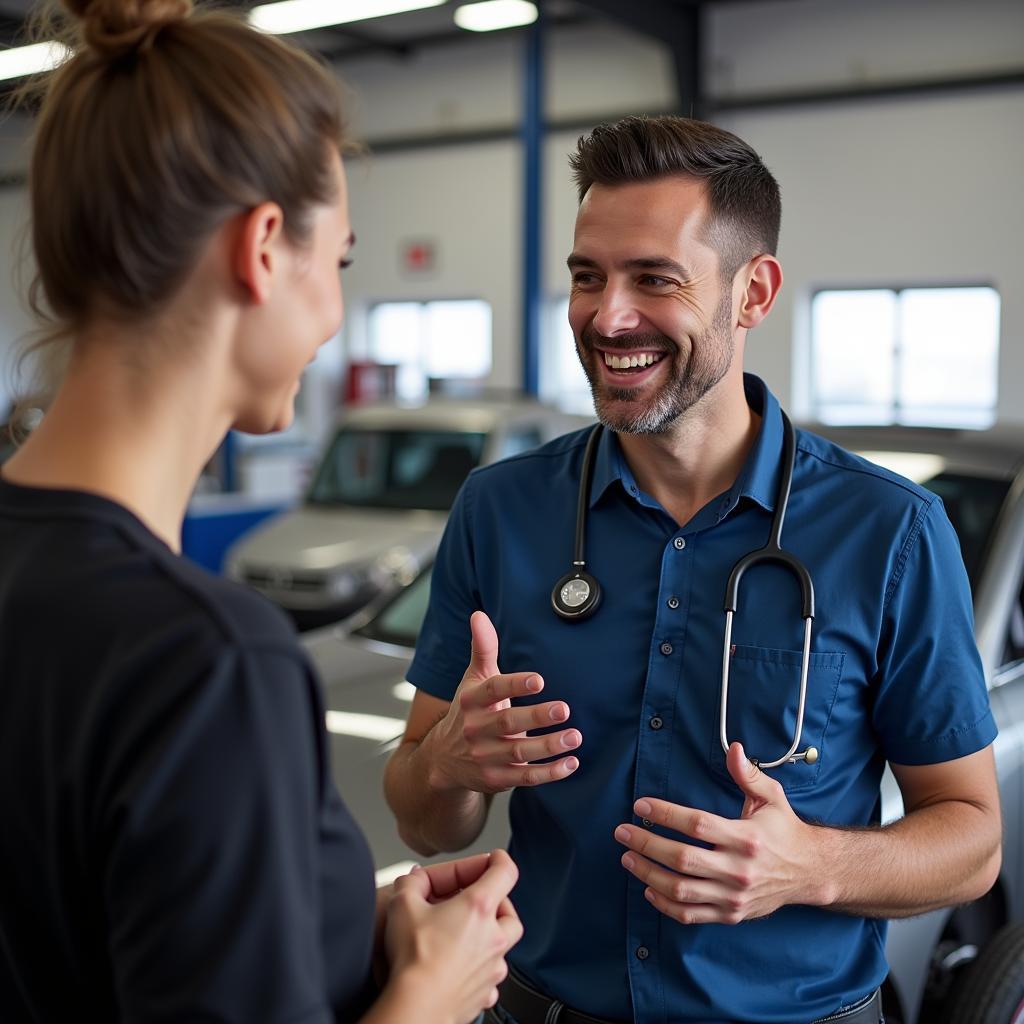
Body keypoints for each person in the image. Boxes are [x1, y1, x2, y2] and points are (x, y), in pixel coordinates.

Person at [383, 115, 1002, 1024]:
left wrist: (814, 867)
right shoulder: (501, 511)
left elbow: (972, 839)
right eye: (587, 276)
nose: (607, 315)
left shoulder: (890, 533)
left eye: (654, 279)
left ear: (754, 293)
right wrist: (448, 762)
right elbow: (426, 820)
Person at [0, 2, 521, 1021]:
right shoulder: (207, 662)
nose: (333, 311)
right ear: (264, 248)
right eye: (341, 264)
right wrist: (432, 990)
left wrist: (335, 928)